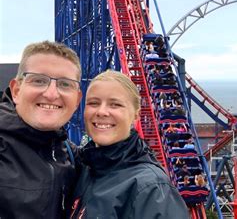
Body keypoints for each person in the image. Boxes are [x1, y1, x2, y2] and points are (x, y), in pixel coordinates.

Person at [68, 70, 188, 218]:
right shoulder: (84, 168)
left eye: (115, 105)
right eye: (93, 103)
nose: (101, 112)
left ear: (136, 115)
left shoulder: (151, 188)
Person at [0, 41, 82, 218]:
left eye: (65, 84)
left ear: (77, 100)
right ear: (16, 90)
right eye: (38, 80)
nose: (51, 94)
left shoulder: (68, 152)